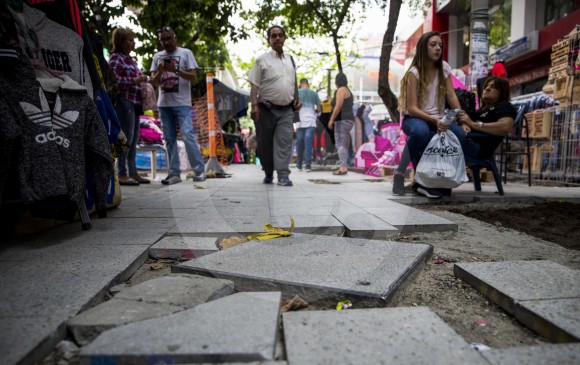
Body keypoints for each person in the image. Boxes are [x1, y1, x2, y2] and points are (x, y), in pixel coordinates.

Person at [392, 31, 476, 198]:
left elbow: (451, 95)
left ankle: (439, 178)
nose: (438, 48)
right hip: (415, 118)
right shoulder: (413, 73)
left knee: (460, 135)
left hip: (439, 117)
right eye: (433, 45)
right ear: (424, 48)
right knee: (421, 133)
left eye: (440, 45)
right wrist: (433, 119)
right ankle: (400, 174)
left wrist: (462, 120)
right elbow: (412, 107)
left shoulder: (444, 68)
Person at [150, 26, 205, 185]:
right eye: (163, 40)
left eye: (169, 38)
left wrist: (175, 70)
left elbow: (194, 77)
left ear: (175, 38)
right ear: (160, 42)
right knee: (169, 139)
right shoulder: (157, 56)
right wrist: (160, 71)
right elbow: (153, 81)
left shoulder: (186, 53)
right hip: (164, 104)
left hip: (183, 103)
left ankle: (199, 171)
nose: (167, 42)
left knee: (188, 135)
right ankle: (173, 173)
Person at [248, 25, 301, 187]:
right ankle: (268, 171)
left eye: (280, 35)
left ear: (284, 38)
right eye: (274, 36)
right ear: (269, 40)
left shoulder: (291, 60)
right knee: (265, 144)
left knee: (285, 141)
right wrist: (254, 106)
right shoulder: (261, 60)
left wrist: (296, 100)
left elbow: (293, 83)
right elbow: (254, 85)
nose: (277, 38)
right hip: (265, 109)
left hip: (286, 110)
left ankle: (283, 175)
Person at [109, 27, 149, 186]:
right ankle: (122, 174)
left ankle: (133, 172)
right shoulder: (116, 58)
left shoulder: (130, 60)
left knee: (133, 140)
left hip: (135, 103)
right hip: (124, 101)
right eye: (130, 40)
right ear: (121, 42)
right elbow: (113, 81)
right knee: (126, 139)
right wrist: (134, 81)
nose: (133, 43)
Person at [458, 76, 516, 161]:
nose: (487, 89)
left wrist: (473, 124)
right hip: (467, 142)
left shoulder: (503, 106)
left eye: (493, 87)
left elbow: (505, 127)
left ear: (502, 92)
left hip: (477, 148)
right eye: (486, 86)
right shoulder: (481, 110)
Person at [328, 72, 354, 175]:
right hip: (349, 120)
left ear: (336, 81)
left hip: (342, 120)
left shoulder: (341, 90)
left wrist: (331, 120)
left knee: (340, 144)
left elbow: (338, 106)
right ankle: (343, 165)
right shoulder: (348, 91)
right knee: (344, 144)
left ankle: (343, 167)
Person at [295, 78, 321, 172]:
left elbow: (294, 107)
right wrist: (315, 111)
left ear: (300, 84)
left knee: (300, 143)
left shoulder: (297, 93)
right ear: (307, 84)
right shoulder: (314, 93)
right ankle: (308, 166)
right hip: (311, 121)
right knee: (308, 143)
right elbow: (319, 109)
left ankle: (298, 165)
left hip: (300, 120)